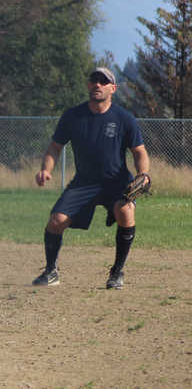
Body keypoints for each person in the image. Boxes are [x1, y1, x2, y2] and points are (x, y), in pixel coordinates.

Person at [32, 67, 150, 289]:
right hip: (84, 182)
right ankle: (51, 272)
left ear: (113, 89)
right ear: (88, 85)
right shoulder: (73, 116)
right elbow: (54, 148)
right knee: (56, 221)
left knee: (125, 211)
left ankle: (117, 272)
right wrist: (46, 169)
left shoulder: (124, 119)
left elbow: (139, 152)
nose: (97, 84)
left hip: (117, 181)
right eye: (94, 80)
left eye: (104, 81)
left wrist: (143, 174)